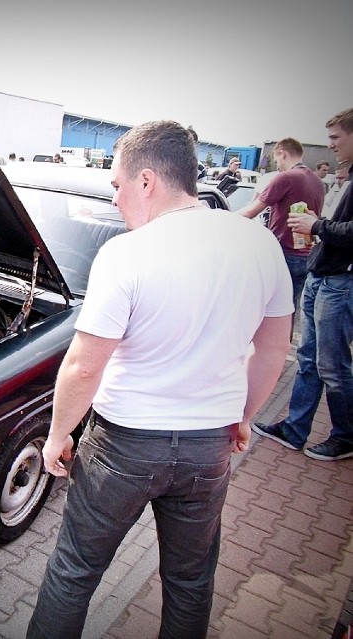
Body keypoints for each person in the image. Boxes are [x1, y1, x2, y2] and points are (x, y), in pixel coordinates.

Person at [26, 120, 292, 639]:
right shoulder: (259, 243)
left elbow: (85, 364)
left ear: (146, 180)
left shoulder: (128, 253)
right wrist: (243, 419)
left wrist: (59, 435)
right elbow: (274, 348)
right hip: (207, 449)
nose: (116, 197)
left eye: (117, 185)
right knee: (191, 581)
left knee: (74, 572)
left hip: (123, 447)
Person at [252, 107, 353, 461]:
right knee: (310, 358)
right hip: (321, 272)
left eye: (336, 138)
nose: (331, 146)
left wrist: (318, 226)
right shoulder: (330, 179)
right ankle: (295, 429)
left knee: (332, 365)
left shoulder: (297, 178)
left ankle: (345, 436)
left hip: (338, 280)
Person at [234, 138, 325, 316]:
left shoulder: (286, 177)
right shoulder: (318, 182)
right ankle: (284, 343)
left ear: (282, 153)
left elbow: (251, 211)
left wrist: (219, 217)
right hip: (306, 254)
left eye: (276, 161)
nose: (277, 166)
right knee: (288, 310)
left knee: (265, 311)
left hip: (283, 253)